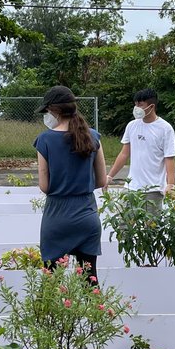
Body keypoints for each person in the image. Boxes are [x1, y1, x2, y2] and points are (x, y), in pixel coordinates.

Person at [35, 86, 108, 276]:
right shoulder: (93, 136)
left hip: (57, 216)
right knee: (89, 281)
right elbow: (101, 180)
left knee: (51, 283)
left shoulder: (44, 140)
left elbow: (45, 186)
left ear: (54, 110)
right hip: (87, 215)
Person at [105, 88, 175, 208]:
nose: (136, 108)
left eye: (140, 104)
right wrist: (110, 176)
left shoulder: (165, 128)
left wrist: (170, 185)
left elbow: (169, 158)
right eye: (135, 104)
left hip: (153, 189)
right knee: (125, 224)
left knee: (152, 225)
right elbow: (124, 154)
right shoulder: (132, 125)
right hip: (131, 187)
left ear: (151, 106)